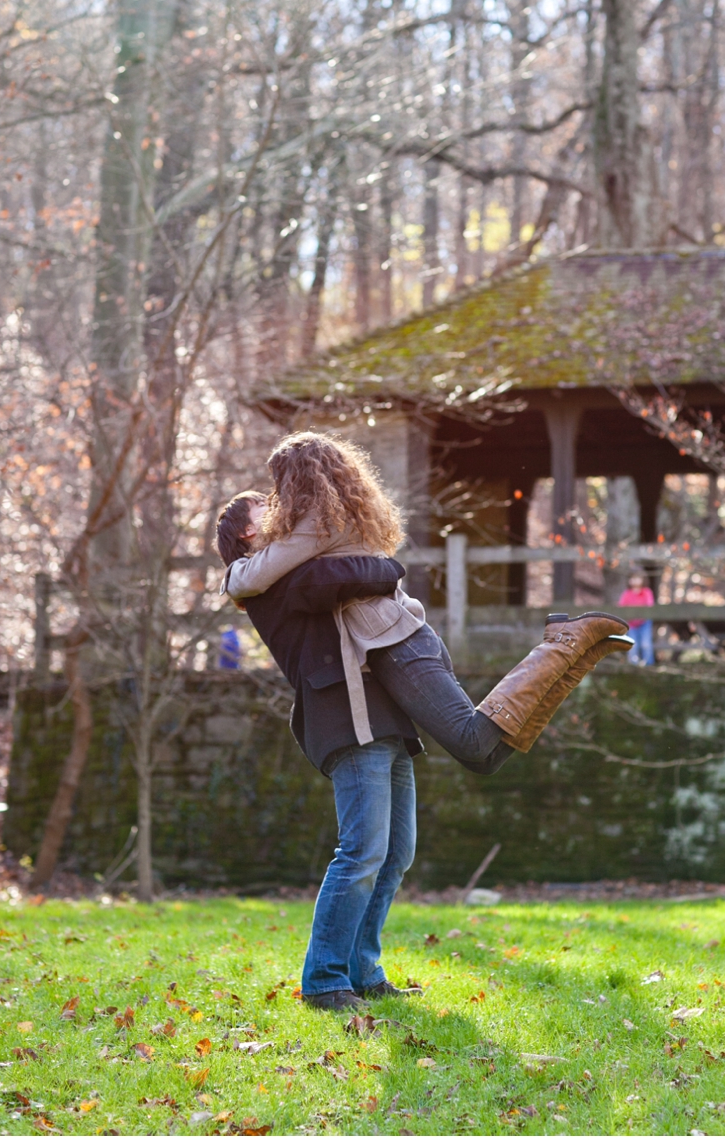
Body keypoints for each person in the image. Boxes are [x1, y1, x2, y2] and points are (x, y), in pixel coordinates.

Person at [215, 432, 632, 1012]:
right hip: (347, 716)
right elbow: (340, 576)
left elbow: (360, 572)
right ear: (247, 537)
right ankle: (324, 980)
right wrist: (385, 568)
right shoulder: (272, 581)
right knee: (361, 851)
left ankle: (363, 971)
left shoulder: (294, 563)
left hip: (381, 709)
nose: (280, 511)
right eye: (266, 510)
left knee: (396, 852)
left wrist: (381, 568)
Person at [618, 569, 656, 665]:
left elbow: (649, 606)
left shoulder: (646, 592)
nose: (635, 581)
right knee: (633, 645)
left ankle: (648, 663)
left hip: (644, 622)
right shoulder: (627, 594)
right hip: (632, 624)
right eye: (633, 578)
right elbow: (621, 607)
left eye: (638, 578)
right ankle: (633, 664)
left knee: (646, 644)